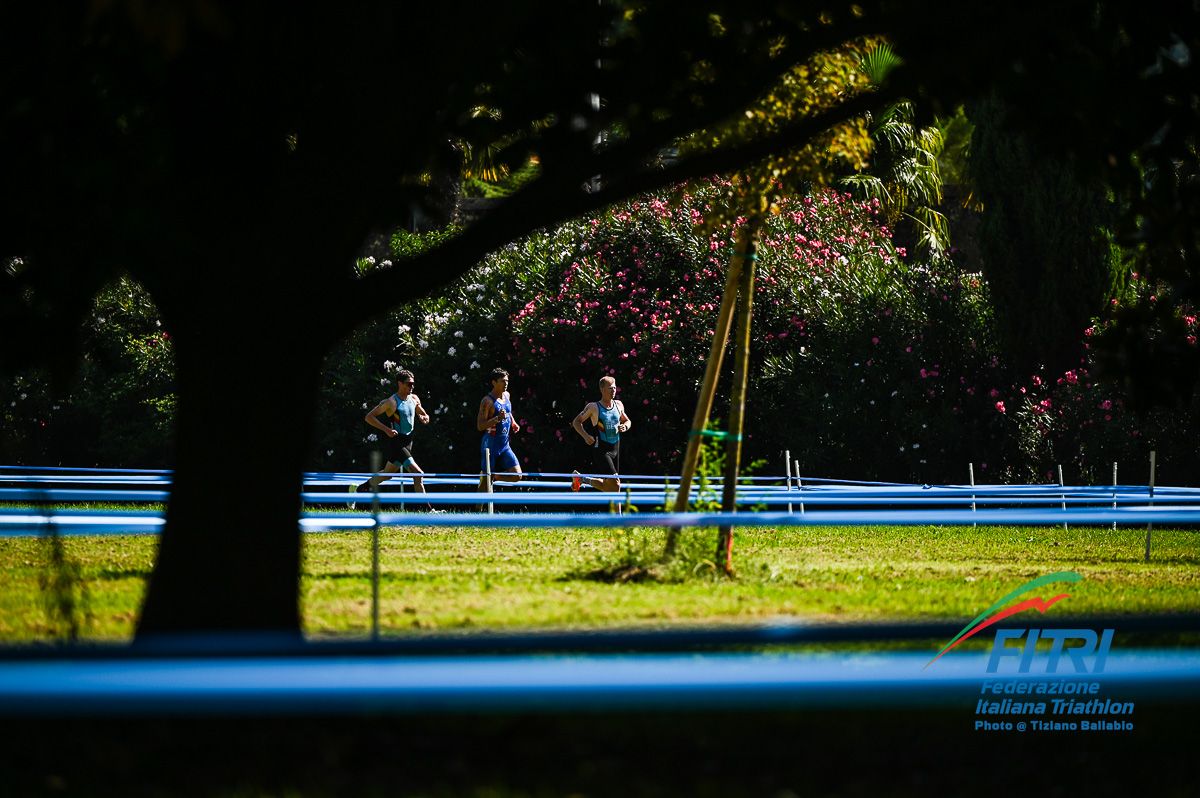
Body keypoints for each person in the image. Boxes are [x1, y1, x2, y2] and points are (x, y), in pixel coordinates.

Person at [351, 369, 433, 507]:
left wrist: (425, 417)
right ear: (400, 383)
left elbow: (423, 413)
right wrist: (386, 430)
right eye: (409, 384)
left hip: (408, 442)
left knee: (387, 474)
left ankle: (360, 489)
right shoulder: (391, 402)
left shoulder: (414, 398)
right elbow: (369, 417)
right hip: (397, 442)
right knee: (418, 474)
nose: (412, 386)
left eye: (413, 384)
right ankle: (429, 510)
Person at [571, 375, 631, 493]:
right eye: (610, 388)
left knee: (612, 487)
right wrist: (585, 436)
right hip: (601, 450)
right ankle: (583, 479)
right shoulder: (594, 407)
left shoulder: (618, 405)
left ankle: (581, 479)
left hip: (615, 449)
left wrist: (625, 426)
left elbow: (627, 421)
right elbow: (576, 422)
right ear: (602, 390)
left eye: (615, 388)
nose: (614, 390)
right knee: (616, 484)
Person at [477, 367, 522, 493]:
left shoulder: (507, 395)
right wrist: (497, 419)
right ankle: (477, 505)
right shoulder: (487, 401)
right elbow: (480, 426)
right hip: (490, 445)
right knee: (485, 484)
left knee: (517, 475)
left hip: (504, 445)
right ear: (494, 382)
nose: (506, 383)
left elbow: (507, 411)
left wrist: (513, 422)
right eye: (502, 381)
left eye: (507, 381)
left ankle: (494, 477)